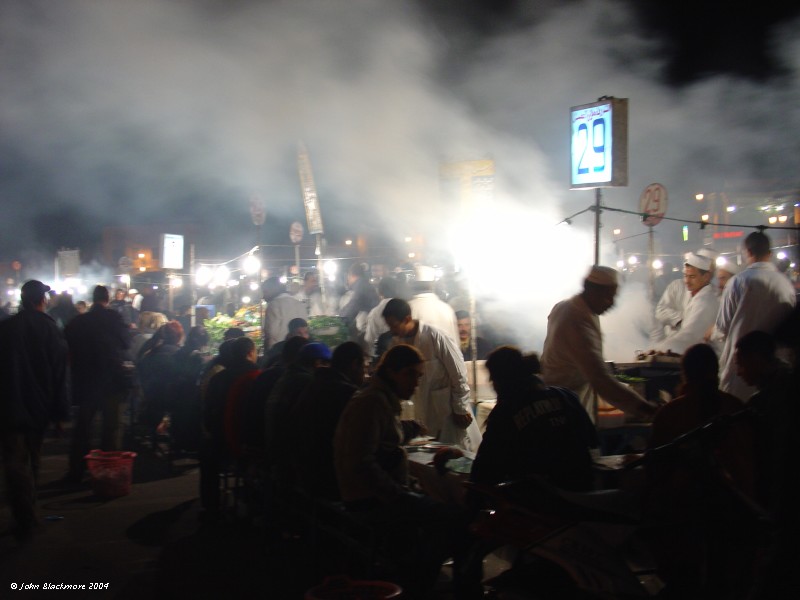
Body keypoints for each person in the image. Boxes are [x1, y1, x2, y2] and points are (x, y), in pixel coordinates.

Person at [333, 344, 476, 598]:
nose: (415, 383)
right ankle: (419, 584)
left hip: (377, 495)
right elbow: (360, 462)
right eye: (410, 374)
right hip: (369, 501)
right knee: (454, 519)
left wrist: (408, 429)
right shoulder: (371, 402)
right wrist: (398, 495)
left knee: (443, 510)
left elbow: (385, 436)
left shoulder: (381, 400)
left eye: (418, 376)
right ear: (391, 371)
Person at [645, 343, 756, 598]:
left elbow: (656, 469)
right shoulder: (736, 408)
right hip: (736, 514)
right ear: (716, 371)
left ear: (684, 375)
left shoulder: (670, 413)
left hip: (683, 518)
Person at [470, 346, 597, 493]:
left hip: (542, 500)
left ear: (500, 381)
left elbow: (486, 469)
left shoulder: (505, 412)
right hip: (584, 491)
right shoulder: (566, 396)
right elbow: (592, 440)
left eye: (493, 380)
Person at [0, 280, 69, 543]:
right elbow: (60, 375)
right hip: (38, 407)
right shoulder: (50, 330)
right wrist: (60, 414)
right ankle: (28, 514)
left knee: (14, 462)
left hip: (8, 405)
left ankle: (23, 515)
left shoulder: (6, 328)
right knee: (32, 460)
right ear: (42, 300)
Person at [541, 266, 657, 421]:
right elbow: (600, 379)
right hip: (565, 405)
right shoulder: (576, 320)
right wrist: (645, 409)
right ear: (592, 291)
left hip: (563, 398)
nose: (612, 303)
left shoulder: (566, 306)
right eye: (608, 297)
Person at [734, 331, 799, 599]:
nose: (739, 372)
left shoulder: (771, 400)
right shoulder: (784, 385)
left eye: (742, 363)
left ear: (758, 359)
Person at [382, 298, 481, 451]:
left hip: (447, 412)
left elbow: (458, 373)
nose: (392, 331)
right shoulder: (396, 344)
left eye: (394, 325)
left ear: (407, 319)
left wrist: (460, 408)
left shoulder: (436, 337)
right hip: (419, 413)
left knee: (454, 454)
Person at [715, 231, 796, 400]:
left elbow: (722, 327)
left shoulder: (737, 282)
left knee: (738, 420)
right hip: (776, 374)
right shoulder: (786, 285)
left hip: (740, 373)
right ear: (770, 254)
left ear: (748, 252)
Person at [64, 285, 132, 482]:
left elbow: (67, 345)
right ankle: (107, 473)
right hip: (112, 380)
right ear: (107, 298)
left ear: (93, 299)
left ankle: (76, 470)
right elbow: (126, 343)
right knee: (111, 428)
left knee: (83, 428)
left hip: (86, 381)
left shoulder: (78, 322)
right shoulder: (115, 319)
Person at [291, 341, 365, 500]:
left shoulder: (314, 384)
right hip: (329, 479)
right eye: (364, 367)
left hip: (304, 473)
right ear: (355, 365)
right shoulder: (347, 393)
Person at [653, 252, 719, 355]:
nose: (687, 281)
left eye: (692, 277)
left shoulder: (706, 300)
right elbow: (660, 311)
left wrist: (660, 349)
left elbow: (690, 335)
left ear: (706, 277)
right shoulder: (688, 291)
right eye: (685, 276)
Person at [409, 265, 459, 346]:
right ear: (432, 285)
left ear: (414, 285)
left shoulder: (409, 307)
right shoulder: (446, 308)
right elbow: (455, 343)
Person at [261, 277, 307, 352]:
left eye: (265, 292)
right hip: (300, 349)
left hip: (279, 352)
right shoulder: (299, 304)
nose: (263, 296)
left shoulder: (273, 305)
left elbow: (271, 333)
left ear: (274, 290)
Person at [364, 276, 401, 360]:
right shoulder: (405, 308)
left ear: (379, 292)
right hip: (403, 356)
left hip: (382, 359)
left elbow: (369, 340)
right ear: (397, 290)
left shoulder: (374, 313)